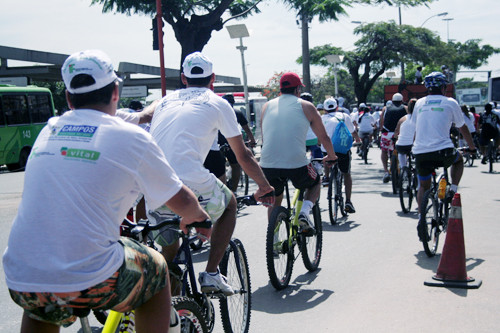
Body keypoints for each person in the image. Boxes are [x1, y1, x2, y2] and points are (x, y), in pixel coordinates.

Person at [2, 50, 210, 333]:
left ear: (68, 98)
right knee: (158, 271)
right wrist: (199, 218)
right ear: (115, 91)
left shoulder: (49, 130)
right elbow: (183, 200)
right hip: (91, 277)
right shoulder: (130, 136)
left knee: (42, 308)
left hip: (22, 275)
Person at [148, 51, 275, 296]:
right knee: (229, 205)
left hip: (154, 183)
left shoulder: (164, 101)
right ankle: (212, 273)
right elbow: (243, 156)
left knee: (169, 251)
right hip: (190, 179)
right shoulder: (218, 103)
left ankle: (174, 304)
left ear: (183, 78)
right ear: (213, 78)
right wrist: (264, 187)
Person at [259, 72, 337, 235]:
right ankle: (304, 212)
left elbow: (265, 136)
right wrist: (331, 156)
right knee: (315, 181)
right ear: (297, 90)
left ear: (280, 90)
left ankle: (273, 239)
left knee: (276, 199)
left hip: (267, 164)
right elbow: (323, 137)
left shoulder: (266, 106)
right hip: (296, 163)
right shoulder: (306, 106)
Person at [412, 72, 476, 241]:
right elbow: (462, 127)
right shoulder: (450, 102)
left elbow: (415, 128)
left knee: (423, 186)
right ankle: (453, 191)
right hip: (443, 152)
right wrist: (472, 147)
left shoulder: (418, 103)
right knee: (459, 160)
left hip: (420, 153)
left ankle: (421, 218)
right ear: (444, 87)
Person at [320, 98, 361, 213]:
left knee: (325, 154)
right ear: (337, 107)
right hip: (342, 150)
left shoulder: (321, 118)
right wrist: (357, 139)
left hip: (327, 149)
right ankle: (348, 201)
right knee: (346, 174)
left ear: (324, 109)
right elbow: (353, 131)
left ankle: (327, 177)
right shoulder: (344, 116)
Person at [218, 93, 257, 192]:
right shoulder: (237, 112)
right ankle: (234, 191)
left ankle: (221, 190)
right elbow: (247, 129)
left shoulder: (218, 112)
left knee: (218, 166)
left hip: (218, 143)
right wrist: (252, 140)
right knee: (236, 166)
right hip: (232, 142)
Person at [379, 93, 407, 182]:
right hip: (400, 135)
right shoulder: (405, 108)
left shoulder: (385, 108)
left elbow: (381, 120)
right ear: (402, 100)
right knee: (404, 151)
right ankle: (404, 169)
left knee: (384, 151)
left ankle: (386, 171)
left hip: (387, 134)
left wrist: (381, 130)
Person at [394, 98, 417, 171]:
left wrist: (396, 138)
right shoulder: (420, 118)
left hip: (401, 145)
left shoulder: (402, 119)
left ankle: (403, 167)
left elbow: (396, 132)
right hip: (415, 146)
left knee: (401, 153)